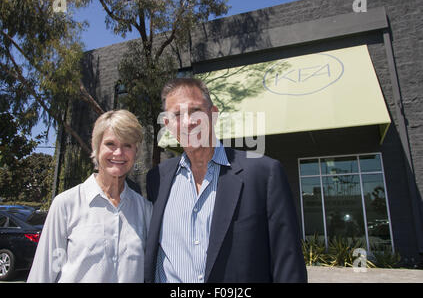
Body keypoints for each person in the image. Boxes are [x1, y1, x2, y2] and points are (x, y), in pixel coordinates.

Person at [144, 78, 307, 283]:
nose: (188, 122)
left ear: (213, 114)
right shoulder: (157, 179)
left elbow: (288, 264)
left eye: (195, 111)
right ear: (168, 124)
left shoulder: (263, 174)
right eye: (177, 114)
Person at [27, 110, 152, 283]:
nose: (118, 153)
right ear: (96, 148)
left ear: (135, 152)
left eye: (127, 145)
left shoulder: (145, 209)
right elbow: (43, 274)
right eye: (110, 144)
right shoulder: (66, 205)